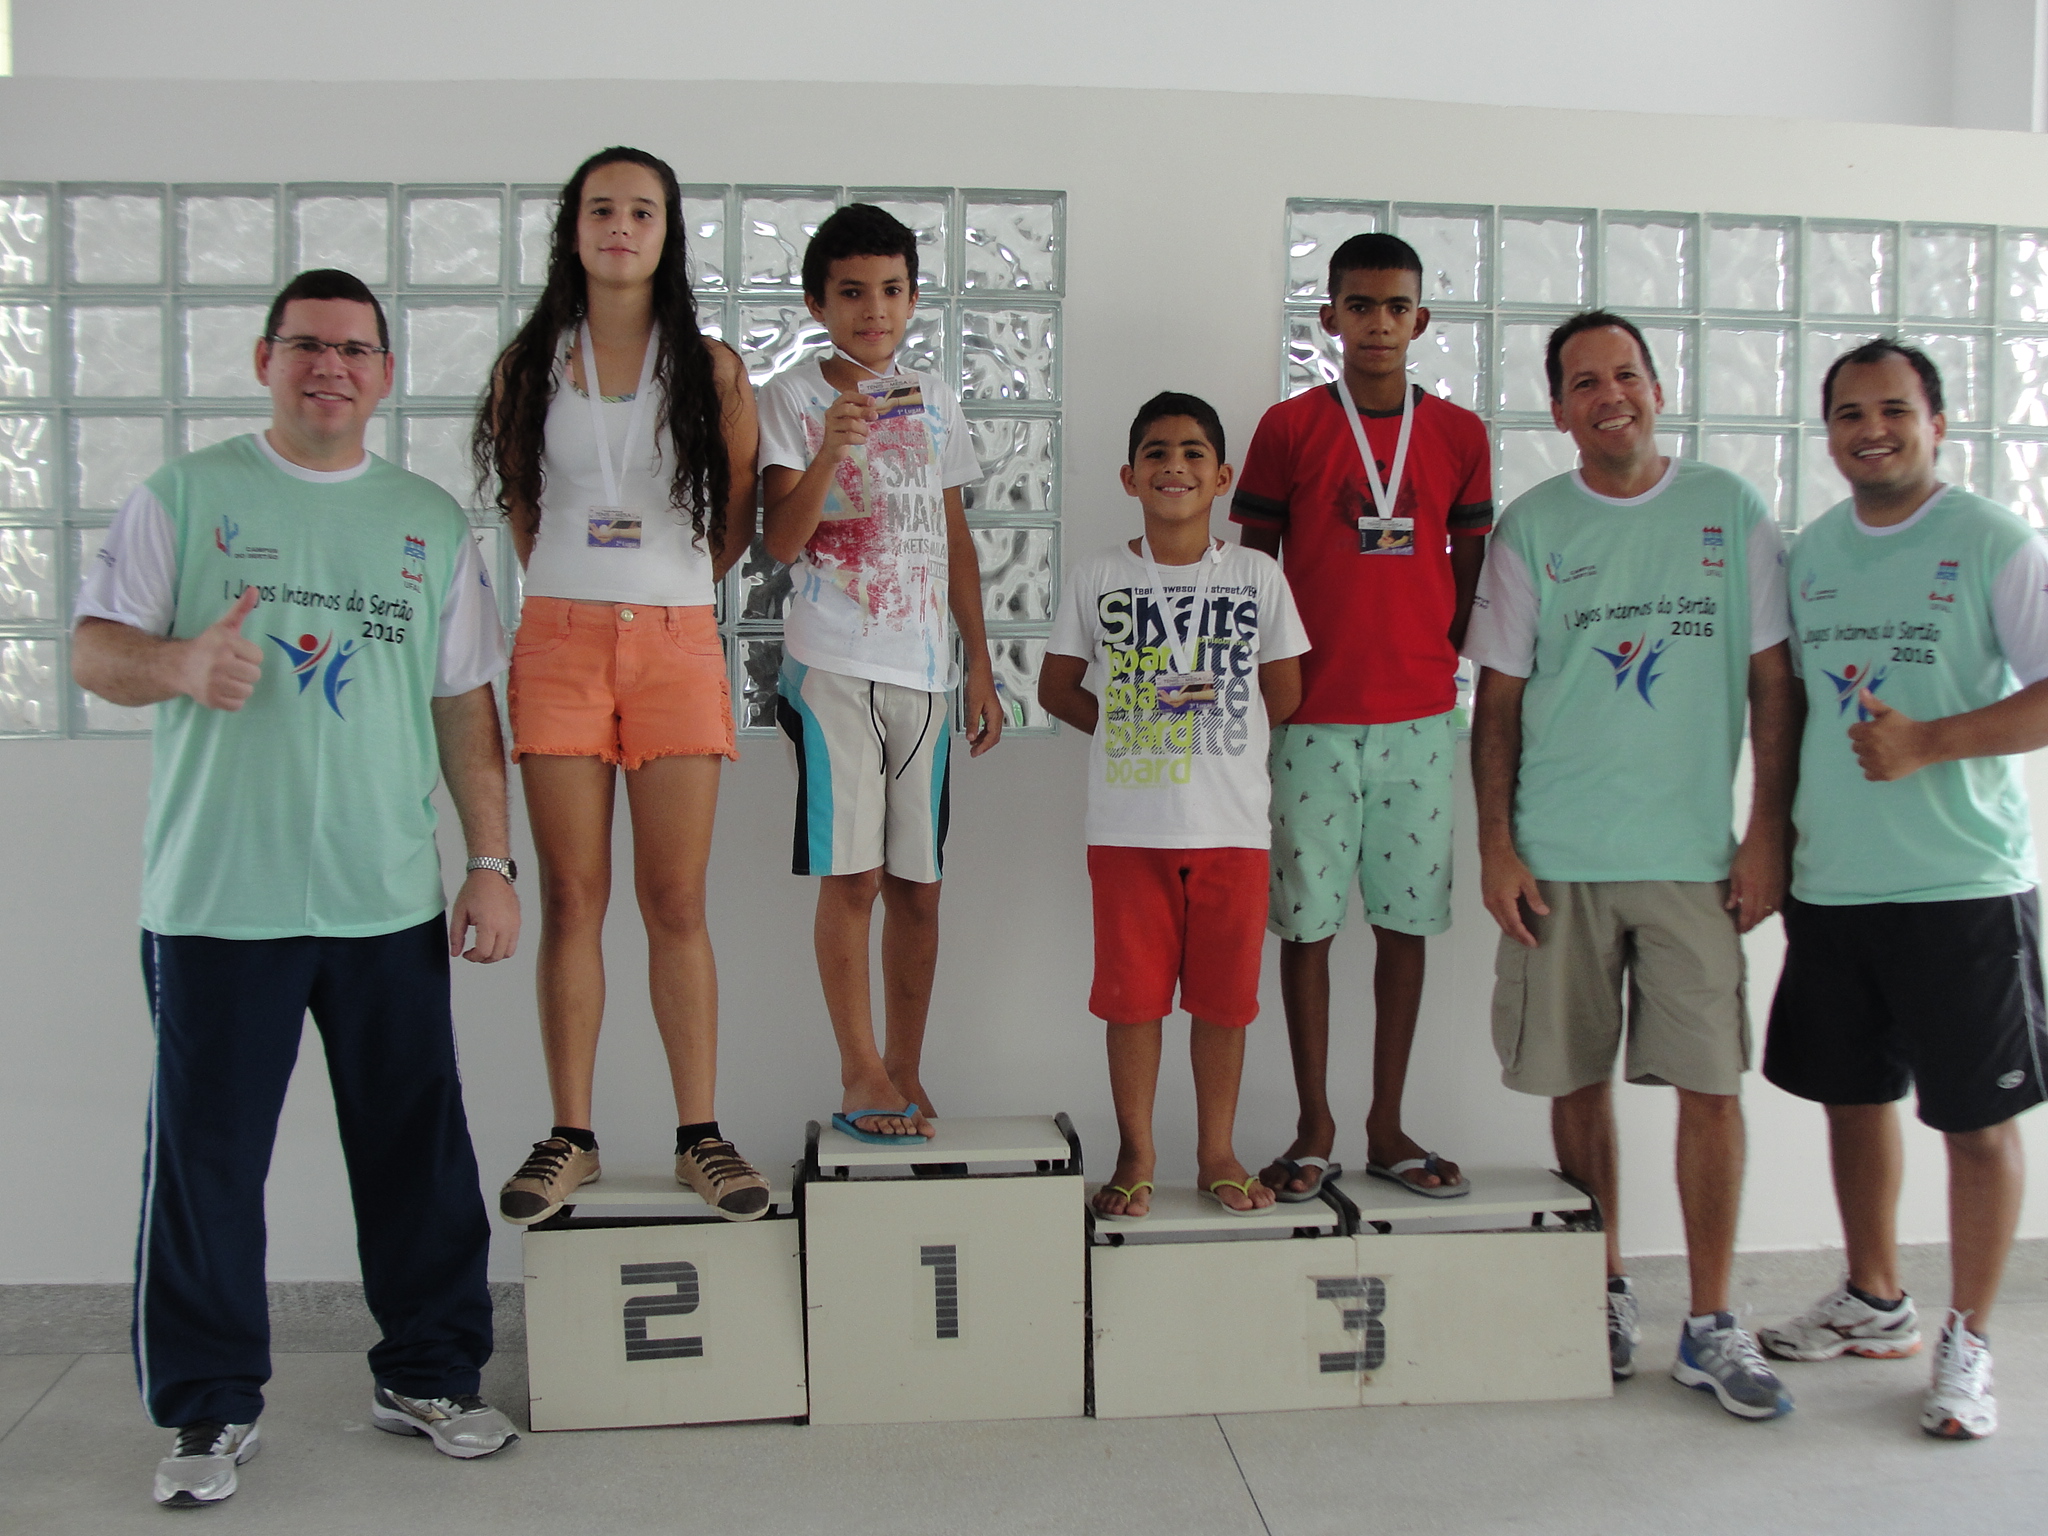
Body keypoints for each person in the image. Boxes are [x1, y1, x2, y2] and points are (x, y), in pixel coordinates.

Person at [71, 268, 521, 1506]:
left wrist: (489, 864)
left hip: (385, 899)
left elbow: (464, 708)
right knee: (207, 1166)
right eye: (307, 345)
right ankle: (207, 1409)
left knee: (416, 1151)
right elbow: (95, 651)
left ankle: (430, 1373)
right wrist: (178, 664)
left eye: (355, 350)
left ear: (385, 375)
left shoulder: (427, 522)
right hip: (221, 903)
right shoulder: (184, 497)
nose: (331, 367)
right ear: (264, 360)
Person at [1464, 309, 1801, 1418]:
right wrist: (1497, 845)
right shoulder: (1533, 528)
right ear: (1558, 411)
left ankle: (1710, 1321)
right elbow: (1497, 705)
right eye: (1583, 382)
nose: (1608, 395)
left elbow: (1772, 683)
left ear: (1657, 388)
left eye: (1625, 375)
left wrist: (1766, 832)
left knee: (1712, 1085)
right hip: (1557, 858)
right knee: (1575, 1082)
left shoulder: (1728, 511)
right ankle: (1601, 1284)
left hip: (1692, 860)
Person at [1758, 339, 2048, 1441]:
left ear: (1936, 423)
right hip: (1836, 885)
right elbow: (1787, 708)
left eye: (1892, 410)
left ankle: (1967, 1340)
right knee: (1852, 1096)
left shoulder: (1992, 541)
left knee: (1976, 1120)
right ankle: (1874, 1297)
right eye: (1847, 413)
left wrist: (1931, 741)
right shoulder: (1814, 554)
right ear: (1827, 431)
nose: (1869, 430)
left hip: (1959, 885)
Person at [472, 147, 765, 1225]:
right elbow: (522, 504)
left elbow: (737, 512)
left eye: (642, 211)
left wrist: (667, 589)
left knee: (675, 900)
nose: (620, 227)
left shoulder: (711, 367)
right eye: (601, 209)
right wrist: (577, 591)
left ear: (667, 232)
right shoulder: (529, 364)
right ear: (573, 228)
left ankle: (700, 1136)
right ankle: (572, 1136)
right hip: (559, 637)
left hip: (677, 640)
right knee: (571, 897)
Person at [1232, 232, 1491, 1202]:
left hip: (1420, 721)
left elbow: (1470, 573)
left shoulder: (1459, 435)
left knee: (1403, 926)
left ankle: (1386, 1124)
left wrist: (1430, 660)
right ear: (1328, 317)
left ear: (1419, 320)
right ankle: (1314, 1128)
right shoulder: (1288, 428)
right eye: (1359, 305)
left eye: (1395, 307)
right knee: (1305, 928)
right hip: (1307, 719)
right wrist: (1266, 698)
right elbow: (1253, 575)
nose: (1377, 323)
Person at [758, 204, 1003, 1145]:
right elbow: (781, 541)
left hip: (926, 674)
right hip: (832, 667)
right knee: (853, 879)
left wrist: (979, 667)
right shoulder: (788, 398)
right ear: (817, 303)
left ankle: (905, 1066)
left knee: (919, 887)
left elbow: (955, 540)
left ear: (912, 298)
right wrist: (830, 446)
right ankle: (859, 1068)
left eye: (892, 291)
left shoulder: (935, 397)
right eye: (853, 293)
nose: (874, 310)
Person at [1039, 392, 1309, 1218]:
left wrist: (1216, 731)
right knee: (1133, 1002)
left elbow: (1285, 691)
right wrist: (1129, 725)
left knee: (1224, 1004)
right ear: (1129, 477)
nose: (1175, 466)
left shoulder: (1258, 576)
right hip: (1128, 832)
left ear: (1222, 477)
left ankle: (1216, 1151)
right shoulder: (1098, 575)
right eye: (1156, 452)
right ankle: (1136, 1152)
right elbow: (1056, 687)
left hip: (1233, 830)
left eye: (1194, 453)